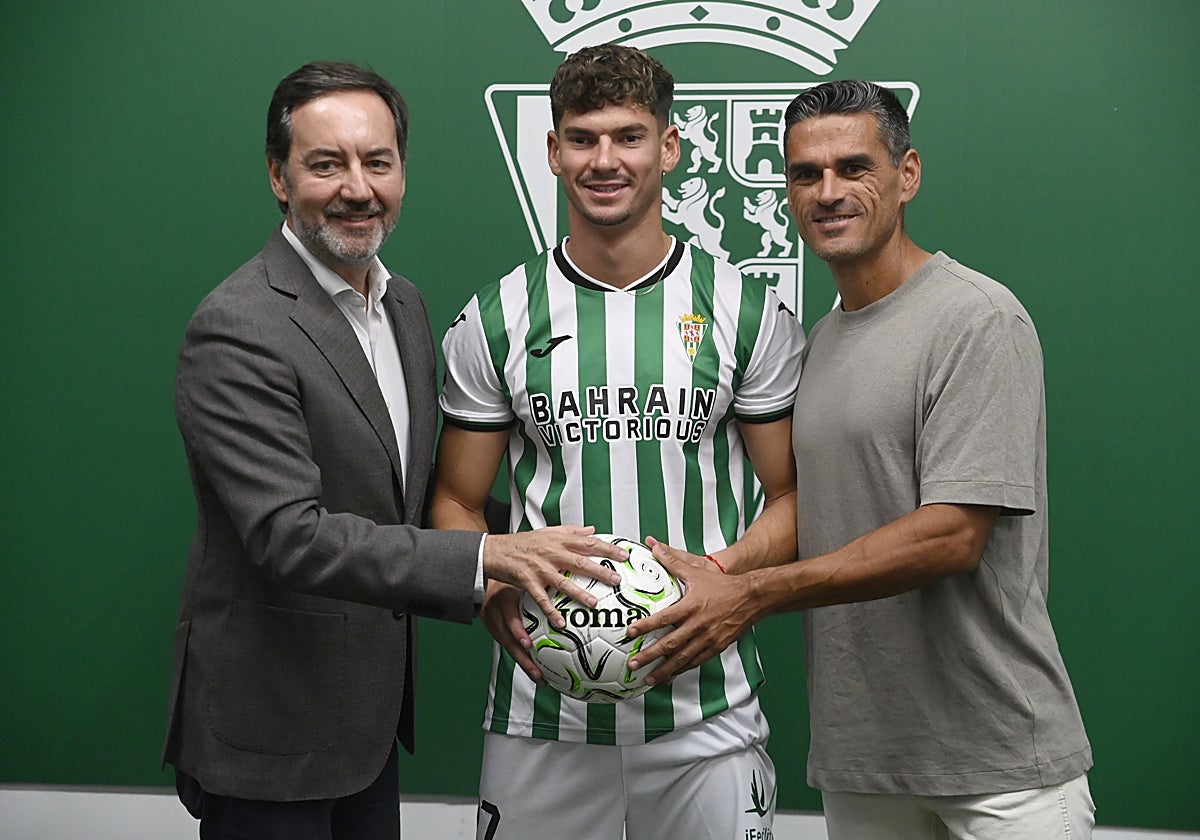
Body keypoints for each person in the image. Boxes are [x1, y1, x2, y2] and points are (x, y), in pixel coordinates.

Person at [162, 60, 627, 840]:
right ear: (279, 177)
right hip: (269, 735)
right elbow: (290, 535)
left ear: (402, 173)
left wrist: (574, 540)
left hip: (366, 730)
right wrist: (490, 561)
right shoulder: (239, 326)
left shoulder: (402, 304)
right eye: (325, 163)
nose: (357, 187)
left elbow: (402, 495)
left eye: (377, 162)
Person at [627, 79, 1095, 838]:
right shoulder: (822, 342)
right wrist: (721, 573)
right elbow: (827, 506)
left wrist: (755, 595)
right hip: (865, 762)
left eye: (854, 168)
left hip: (1000, 766)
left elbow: (951, 534)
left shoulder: (976, 320)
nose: (828, 191)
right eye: (805, 174)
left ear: (906, 175)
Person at [430, 44, 805, 840]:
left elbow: (794, 496)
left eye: (629, 136)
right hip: (541, 713)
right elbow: (456, 500)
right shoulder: (495, 317)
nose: (606, 159)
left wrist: (720, 578)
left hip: (708, 712)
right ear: (553, 151)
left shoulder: (744, 310)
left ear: (669, 148)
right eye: (584, 137)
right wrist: (493, 583)